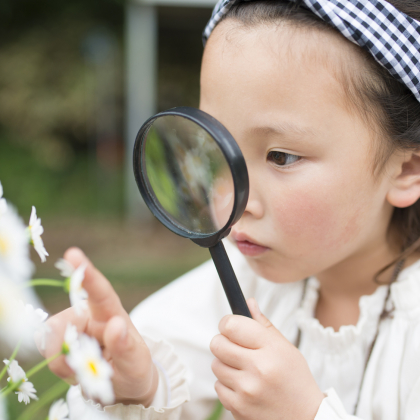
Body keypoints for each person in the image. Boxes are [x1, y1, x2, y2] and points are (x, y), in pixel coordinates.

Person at [39, 0, 420, 419]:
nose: (228, 201)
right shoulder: (237, 283)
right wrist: (141, 387)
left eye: (280, 157)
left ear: (407, 169)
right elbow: (157, 359)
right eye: (215, 150)